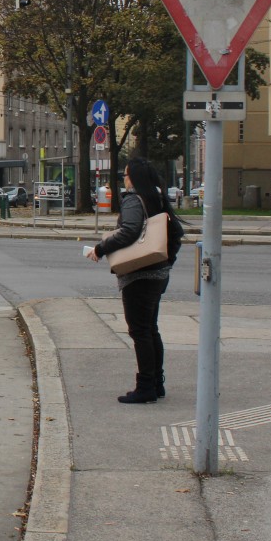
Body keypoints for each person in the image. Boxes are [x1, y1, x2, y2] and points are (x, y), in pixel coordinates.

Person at [84, 157, 184, 404]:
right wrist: (166, 262)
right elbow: (176, 233)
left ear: (135, 178)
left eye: (126, 175)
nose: (124, 179)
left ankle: (146, 387)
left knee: (139, 331)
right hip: (158, 273)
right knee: (150, 329)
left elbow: (128, 231)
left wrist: (100, 248)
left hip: (139, 275)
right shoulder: (157, 198)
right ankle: (157, 383)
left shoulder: (133, 199)